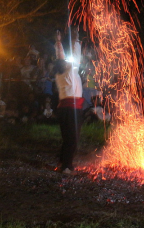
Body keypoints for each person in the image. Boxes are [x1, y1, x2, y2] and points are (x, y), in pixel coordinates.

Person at [54, 29, 84, 174]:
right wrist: (76, 40)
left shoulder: (60, 74)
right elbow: (74, 55)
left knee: (68, 137)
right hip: (72, 109)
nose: (68, 61)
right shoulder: (70, 70)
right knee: (72, 138)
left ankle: (62, 162)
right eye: (65, 62)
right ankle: (66, 166)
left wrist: (59, 42)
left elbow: (60, 56)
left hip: (65, 108)